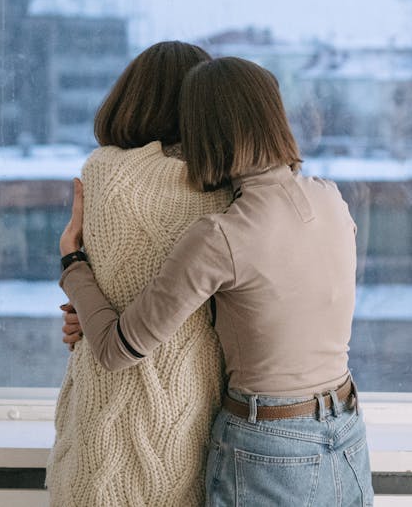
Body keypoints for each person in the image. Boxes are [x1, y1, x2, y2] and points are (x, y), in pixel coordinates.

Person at [59, 56, 373, 507]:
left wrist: (73, 264)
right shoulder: (330, 199)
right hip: (345, 429)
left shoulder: (222, 235)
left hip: (268, 444)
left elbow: (115, 350)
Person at [47, 41, 233, 507]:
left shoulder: (105, 172)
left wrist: (71, 264)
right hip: (192, 411)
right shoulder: (225, 186)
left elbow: (105, 286)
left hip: (103, 411)